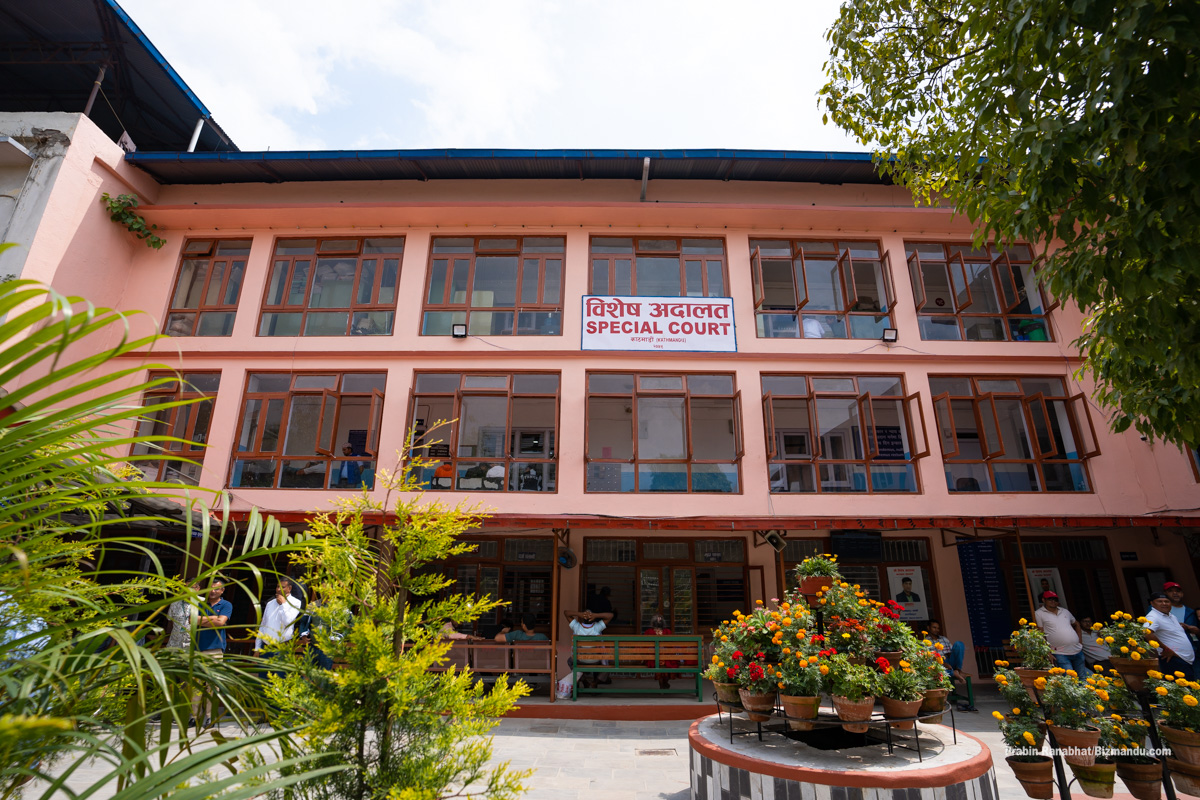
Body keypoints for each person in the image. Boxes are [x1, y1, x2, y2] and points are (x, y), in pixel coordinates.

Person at [193, 578, 231, 728]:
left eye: (216, 589)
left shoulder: (226, 605)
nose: (213, 591)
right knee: (195, 685)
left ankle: (209, 716)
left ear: (222, 590)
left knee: (212, 685)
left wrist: (203, 620)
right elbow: (192, 619)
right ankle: (193, 716)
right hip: (197, 648)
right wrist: (214, 618)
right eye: (211, 588)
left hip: (215, 649)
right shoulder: (200, 604)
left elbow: (221, 622)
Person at [255, 577, 303, 674]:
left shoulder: (296, 603)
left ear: (289, 588)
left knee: (279, 678)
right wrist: (257, 649)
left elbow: (287, 621)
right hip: (265, 648)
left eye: (282, 587)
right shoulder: (270, 603)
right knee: (263, 679)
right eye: (277, 586)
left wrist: (283, 604)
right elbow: (263, 626)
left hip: (281, 648)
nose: (278, 589)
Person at [1146, 591, 1196, 680]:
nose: (1164, 604)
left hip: (1184, 660)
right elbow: (1147, 633)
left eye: (1166, 601)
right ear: (1152, 603)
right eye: (1160, 601)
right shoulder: (1153, 616)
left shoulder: (1171, 616)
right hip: (1172, 659)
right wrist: (1166, 649)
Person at [1034, 591, 1085, 674]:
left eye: (1055, 599)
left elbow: (1076, 624)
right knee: (1069, 678)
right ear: (1043, 600)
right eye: (1050, 599)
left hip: (1077, 650)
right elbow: (1041, 633)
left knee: (1082, 677)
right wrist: (1048, 653)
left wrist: (1080, 643)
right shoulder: (1039, 613)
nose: (1053, 601)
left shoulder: (1065, 611)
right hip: (1059, 653)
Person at [564, 608, 613, 689]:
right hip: (596, 661)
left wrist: (580, 614)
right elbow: (610, 615)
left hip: (581, 660)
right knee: (607, 665)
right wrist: (596, 615)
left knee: (570, 661)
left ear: (582, 618)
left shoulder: (577, 627)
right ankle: (594, 683)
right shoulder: (597, 627)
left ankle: (585, 681)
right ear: (592, 618)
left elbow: (566, 613)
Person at [1159, 582, 1200, 647]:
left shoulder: (1191, 612)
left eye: (1178, 591)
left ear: (1182, 594)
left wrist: (1196, 630)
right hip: (1171, 648)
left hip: (1193, 647)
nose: (1175, 593)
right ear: (1165, 593)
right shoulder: (1158, 609)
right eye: (1170, 591)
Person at [643, 614, 678, 690]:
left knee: (662, 661)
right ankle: (663, 683)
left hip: (655, 658)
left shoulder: (648, 632)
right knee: (665, 662)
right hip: (658, 658)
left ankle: (662, 683)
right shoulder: (667, 631)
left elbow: (645, 647)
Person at [928, 619, 966, 684]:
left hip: (949, 660)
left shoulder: (944, 639)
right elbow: (930, 658)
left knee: (959, 644)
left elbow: (952, 652)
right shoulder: (926, 641)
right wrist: (943, 663)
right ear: (928, 628)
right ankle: (953, 673)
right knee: (936, 671)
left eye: (938, 628)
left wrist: (949, 658)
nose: (936, 630)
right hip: (939, 663)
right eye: (934, 627)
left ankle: (958, 670)